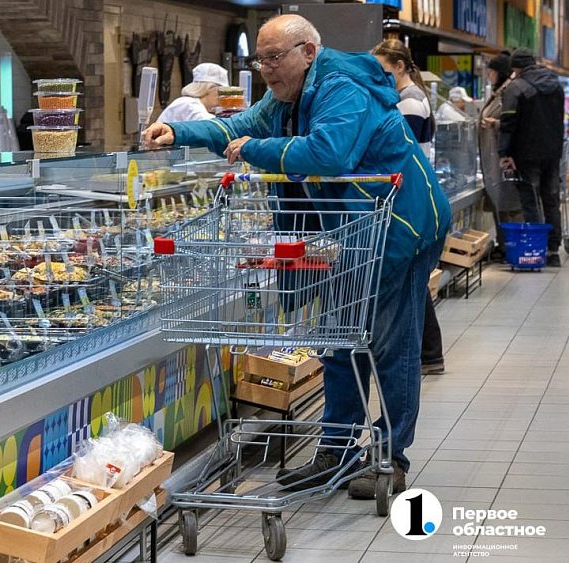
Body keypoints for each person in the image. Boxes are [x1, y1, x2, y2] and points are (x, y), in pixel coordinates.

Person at [142, 14, 450, 500]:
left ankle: (391, 457)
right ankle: (338, 448)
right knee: (338, 342)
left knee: (391, 345)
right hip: (355, 233)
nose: (265, 69)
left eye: (274, 57)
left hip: (402, 226)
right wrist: (180, 134)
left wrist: (256, 150)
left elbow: (329, 154)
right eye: (259, 59)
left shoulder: (341, 87)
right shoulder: (290, 94)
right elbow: (244, 125)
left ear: (307, 52)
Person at [371, 39, 444, 377]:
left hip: (409, 196)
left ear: (399, 67)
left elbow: (399, 151)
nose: (379, 77)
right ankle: (429, 353)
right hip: (409, 194)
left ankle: (428, 353)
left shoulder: (410, 102)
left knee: (411, 280)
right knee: (412, 281)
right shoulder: (408, 98)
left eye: (383, 70)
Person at [498, 48, 565, 268]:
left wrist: (504, 153)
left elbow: (507, 124)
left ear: (515, 68)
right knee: (551, 199)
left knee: (530, 200)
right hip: (553, 152)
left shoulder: (516, 88)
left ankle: (535, 248)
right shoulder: (556, 85)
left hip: (525, 154)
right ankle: (553, 250)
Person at [478, 52, 524, 259]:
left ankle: (513, 246)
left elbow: (515, 124)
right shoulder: (498, 92)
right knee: (500, 201)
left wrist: (494, 124)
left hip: (504, 157)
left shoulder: (509, 93)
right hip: (492, 157)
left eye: (491, 72)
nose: (489, 75)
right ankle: (504, 244)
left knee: (509, 203)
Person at [155, 63, 229, 123]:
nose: (223, 98)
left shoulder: (193, 104)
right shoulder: (188, 104)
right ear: (210, 88)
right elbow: (213, 126)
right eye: (221, 93)